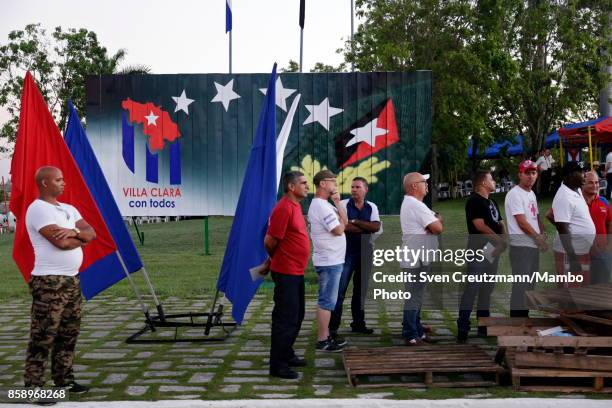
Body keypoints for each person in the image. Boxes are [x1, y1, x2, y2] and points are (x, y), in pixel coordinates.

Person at [24, 166, 96, 394]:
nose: (63, 183)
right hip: (48, 282)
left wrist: (75, 233)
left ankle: (63, 379)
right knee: (43, 335)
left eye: (63, 179)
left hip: (71, 281)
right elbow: (61, 243)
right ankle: (34, 388)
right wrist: (79, 236)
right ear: (45, 183)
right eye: (58, 180)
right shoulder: (38, 209)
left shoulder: (69, 209)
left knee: (69, 333)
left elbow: (91, 232)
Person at [264, 171, 311, 379]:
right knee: (285, 319)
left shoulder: (295, 206)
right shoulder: (283, 208)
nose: (307, 186)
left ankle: (288, 353)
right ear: (291, 187)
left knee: (298, 315)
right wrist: (275, 260)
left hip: (296, 271)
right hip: (286, 272)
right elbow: (270, 241)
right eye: (303, 183)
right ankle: (278, 365)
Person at [457, 170, 506, 343]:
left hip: (492, 252)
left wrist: (504, 239)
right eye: (491, 179)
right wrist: (500, 241)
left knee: (487, 290)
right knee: (472, 289)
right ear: (483, 183)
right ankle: (462, 327)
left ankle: (483, 326)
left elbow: (500, 221)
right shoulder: (474, 201)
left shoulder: (491, 202)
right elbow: (480, 226)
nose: (494, 182)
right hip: (478, 252)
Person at [329, 177, 381, 338]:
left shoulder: (372, 206)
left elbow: (376, 227)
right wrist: (363, 226)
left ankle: (358, 324)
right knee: (340, 291)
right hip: (346, 253)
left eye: (357, 187)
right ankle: (332, 327)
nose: (353, 190)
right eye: (352, 187)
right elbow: (343, 227)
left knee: (360, 291)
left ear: (365, 189)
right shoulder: (342, 205)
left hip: (366, 252)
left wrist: (355, 221)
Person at [400, 172, 443, 346]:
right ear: (413, 186)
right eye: (423, 182)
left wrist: (435, 221)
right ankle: (411, 335)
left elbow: (437, 219)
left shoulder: (416, 204)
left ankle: (416, 330)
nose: (427, 184)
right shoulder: (416, 205)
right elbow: (438, 227)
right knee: (414, 296)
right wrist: (435, 222)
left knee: (416, 296)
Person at [308, 170, 348, 352]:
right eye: (332, 181)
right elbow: (339, 230)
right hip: (329, 260)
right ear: (322, 184)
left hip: (334, 259)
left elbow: (344, 221)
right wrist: (341, 222)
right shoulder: (321, 206)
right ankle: (322, 339)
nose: (335, 184)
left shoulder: (326, 204)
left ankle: (327, 336)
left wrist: (338, 203)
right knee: (327, 301)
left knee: (329, 300)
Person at [504, 160, 548, 317]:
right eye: (527, 173)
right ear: (520, 174)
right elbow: (521, 222)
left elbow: (535, 217)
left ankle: (524, 317)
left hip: (532, 246)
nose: (531, 176)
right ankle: (516, 321)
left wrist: (543, 234)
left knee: (529, 285)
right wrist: (538, 238)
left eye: (533, 173)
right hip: (521, 247)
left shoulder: (531, 194)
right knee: (521, 285)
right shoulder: (514, 194)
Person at [548, 162, 596, 287]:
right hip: (569, 254)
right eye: (580, 172)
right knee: (569, 292)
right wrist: (573, 257)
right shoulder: (564, 196)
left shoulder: (577, 189)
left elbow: (552, 216)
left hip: (581, 250)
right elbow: (562, 227)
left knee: (580, 289)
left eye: (584, 171)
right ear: (569, 176)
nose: (584, 175)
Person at [581, 171, 611, 284]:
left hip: (603, 252)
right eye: (590, 183)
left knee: (602, 284)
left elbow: (610, 223)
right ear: (582, 184)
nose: (595, 185)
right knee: (583, 286)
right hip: (582, 252)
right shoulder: (576, 202)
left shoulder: (603, 201)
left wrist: (609, 246)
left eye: (597, 182)